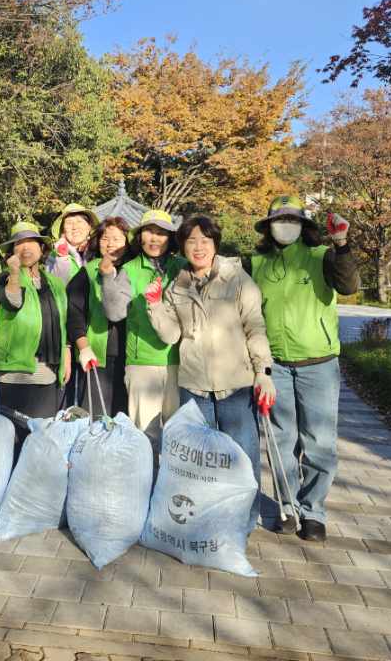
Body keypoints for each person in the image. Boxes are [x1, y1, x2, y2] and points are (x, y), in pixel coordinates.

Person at [146, 215, 275, 535]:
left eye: (205, 240)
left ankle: (244, 523)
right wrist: (154, 306)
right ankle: (206, 520)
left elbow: (255, 327)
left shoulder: (238, 279)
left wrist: (263, 371)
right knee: (201, 461)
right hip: (194, 386)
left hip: (236, 384)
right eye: (191, 241)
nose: (199, 247)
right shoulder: (177, 286)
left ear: (215, 243)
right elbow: (171, 335)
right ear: (183, 247)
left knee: (242, 458)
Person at [245, 195, 359, 541]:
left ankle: (313, 512)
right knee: (280, 440)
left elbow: (348, 285)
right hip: (274, 365)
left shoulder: (322, 256)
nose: (286, 226)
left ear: (303, 226)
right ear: (268, 227)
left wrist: (341, 243)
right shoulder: (256, 263)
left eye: (292, 220)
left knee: (319, 441)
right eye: (279, 220)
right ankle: (288, 507)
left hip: (318, 364)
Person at [102, 209, 187, 442]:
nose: (154, 238)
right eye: (149, 231)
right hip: (142, 364)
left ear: (171, 238)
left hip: (180, 362)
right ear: (140, 237)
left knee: (179, 436)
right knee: (146, 436)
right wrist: (108, 278)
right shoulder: (129, 270)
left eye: (161, 233)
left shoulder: (182, 267)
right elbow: (115, 313)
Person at [0, 220, 68, 446]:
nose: (25, 248)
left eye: (31, 242)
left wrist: (66, 352)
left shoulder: (54, 283)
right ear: (11, 252)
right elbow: (13, 301)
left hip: (49, 370)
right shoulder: (6, 278)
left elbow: (63, 320)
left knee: (43, 438)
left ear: (42, 248)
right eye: (19, 244)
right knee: (16, 437)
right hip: (17, 370)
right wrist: (15, 272)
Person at [65, 217, 131, 417]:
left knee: (124, 417)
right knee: (96, 416)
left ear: (127, 242)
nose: (110, 244)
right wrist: (83, 347)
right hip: (96, 356)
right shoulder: (88, 272)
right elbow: (74, 312)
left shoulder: (133, 270)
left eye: (117, 239)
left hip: (131, 356)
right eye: (105, 238)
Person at [46, 203, 100, 285]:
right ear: (63, 230)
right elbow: (56, 285)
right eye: (69, 223)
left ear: (89, 227)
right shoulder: (55, 255)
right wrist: (62, 257)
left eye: (79, 221)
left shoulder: (100, 249)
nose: (75, 227)